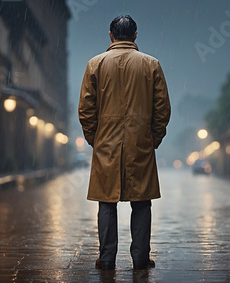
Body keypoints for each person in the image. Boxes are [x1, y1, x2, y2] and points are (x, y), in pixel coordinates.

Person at [78, 14, 171, 270]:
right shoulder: (151, 65)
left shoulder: (95, 65)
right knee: (141, 202)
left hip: (105, 144)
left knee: (106, 203)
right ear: (135, 35)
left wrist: (95, 138)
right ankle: (140, 257)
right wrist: (153, 138)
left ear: (111, 36)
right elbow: (162, 108)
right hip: (140, 143)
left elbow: (86, 109)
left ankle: (106, 257)